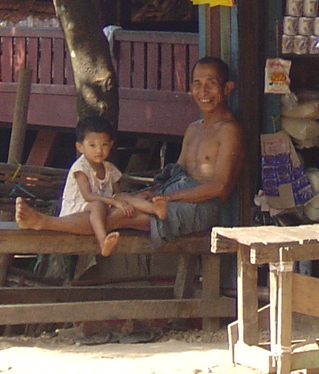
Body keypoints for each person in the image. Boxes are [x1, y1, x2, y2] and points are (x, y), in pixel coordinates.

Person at [15, 58, 245, 254]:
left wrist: (170, 200)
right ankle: (47, 222)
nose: (203, 92)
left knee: (120, 216)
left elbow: (220, 187)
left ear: (227, 88)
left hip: (200, 207)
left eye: (211, 84)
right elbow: (177, 173)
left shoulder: (230, 130)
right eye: (197, 84)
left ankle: (44, 222)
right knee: (124, 201)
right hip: (171, 197)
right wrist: (152, 193)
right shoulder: (194, 128)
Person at [60, 116, 169, 258]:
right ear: (80, 147)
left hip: (103, 206)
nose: (99, 150)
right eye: (92, 145)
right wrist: (115, 202)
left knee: (123, 197)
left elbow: (118, 193)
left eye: (104, 145)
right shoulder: (80, 168)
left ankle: (156, 210)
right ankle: (103, 241)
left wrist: (126, 201)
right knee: (97, 205)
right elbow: (88, 196)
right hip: (78, 208)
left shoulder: (109, 168)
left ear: (111, 145)